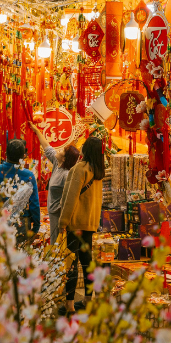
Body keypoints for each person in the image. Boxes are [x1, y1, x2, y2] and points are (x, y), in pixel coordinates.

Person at [58, 131, 105, 314]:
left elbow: (70, 198)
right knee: (87, 263)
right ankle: (88, 301)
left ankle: (69, 304)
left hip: (76, 223)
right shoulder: (98, 171)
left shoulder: (80, 169)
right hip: (90, 224)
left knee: (71, 263)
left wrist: (63, 221)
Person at [30, 121, 80, 242]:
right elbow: (47, 147)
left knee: (58, 245)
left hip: (59, 215)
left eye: (62, 151)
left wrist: (63, 220)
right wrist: (36, 130)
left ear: (65, 158)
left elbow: (70, 199)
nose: (58, 151)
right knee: (54, 243)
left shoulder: (66, 175)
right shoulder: (58, 165)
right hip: (52, 213)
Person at [0, 138, 41, 242]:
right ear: (23, 156)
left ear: (6, 153)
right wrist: (36, 226)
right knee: (19, 255)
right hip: (21, 223)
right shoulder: (28, 175)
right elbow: (34, 203)